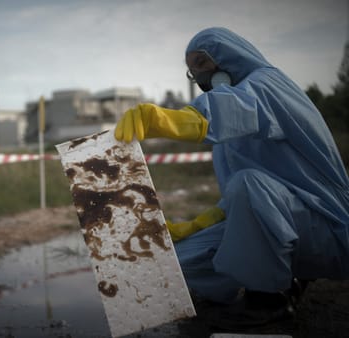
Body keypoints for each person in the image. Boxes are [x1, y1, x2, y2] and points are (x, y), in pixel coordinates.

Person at [115, 27, 349, 329]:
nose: (198, 76)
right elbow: (246, 203)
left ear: (229, 56)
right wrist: (199, 224)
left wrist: (161, 119)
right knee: (178, 263)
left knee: (249, 184)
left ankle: (269, 300)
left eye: (202, 63)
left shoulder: (268, 85)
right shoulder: (230, 141)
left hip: (328, 225)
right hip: (291, 222)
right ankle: (273, 282)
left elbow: (230, 111)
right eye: (191, 71)